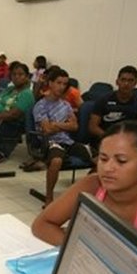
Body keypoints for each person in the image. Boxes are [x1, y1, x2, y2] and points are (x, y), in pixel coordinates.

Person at [32, 122, 137, 251]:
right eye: (103, 159)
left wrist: (79, 242)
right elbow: (42, 225)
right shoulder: (92, 184)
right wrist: (81, 247)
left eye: (121, 161)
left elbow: (136, 268)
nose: (108, 168)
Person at [31, 67, 92, 205]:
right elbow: (46, 130)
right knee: (56, 161)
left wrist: (55, 124)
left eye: (64, 84)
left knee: (99, 158)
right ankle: (49, 197)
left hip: (67, 141)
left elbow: (75, 126)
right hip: (50, 142)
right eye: (58, 83)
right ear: (51, 83)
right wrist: (64, 124)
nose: (61, 87)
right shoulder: (41, 105)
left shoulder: (66, 105)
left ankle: (87, 194)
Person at [0, 62, 35, 169]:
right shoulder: (9, 89)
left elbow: (14, 114)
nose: (16, 77)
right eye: (14, 74)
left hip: (9, 123)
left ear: (27, 77)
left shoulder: (26, 94)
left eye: (20, 74)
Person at [88, 65, 137, 139]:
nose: (126, 83)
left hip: (127, 142)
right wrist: (111, 139)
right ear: (117, 82)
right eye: (123, 80)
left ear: (135, 83)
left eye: (130, 80)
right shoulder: (103, 100)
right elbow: (93, 127)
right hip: (105, 139)